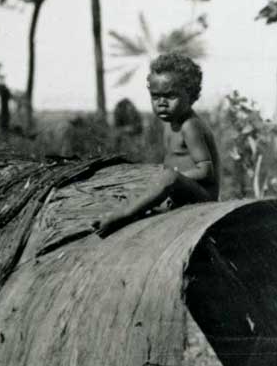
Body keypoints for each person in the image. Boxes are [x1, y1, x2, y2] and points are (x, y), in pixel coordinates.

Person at [94, 52, 221, 237]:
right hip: (181, 193)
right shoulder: (170, 124)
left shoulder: (190, 126)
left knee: (168, 177)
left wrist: (173, 179)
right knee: (153, 178)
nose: (162, 103)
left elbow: (205, 171)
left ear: (191, 95)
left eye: (170, 96)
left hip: (202, 196)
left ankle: (124, 215)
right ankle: (140, 209)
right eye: (155, 97)